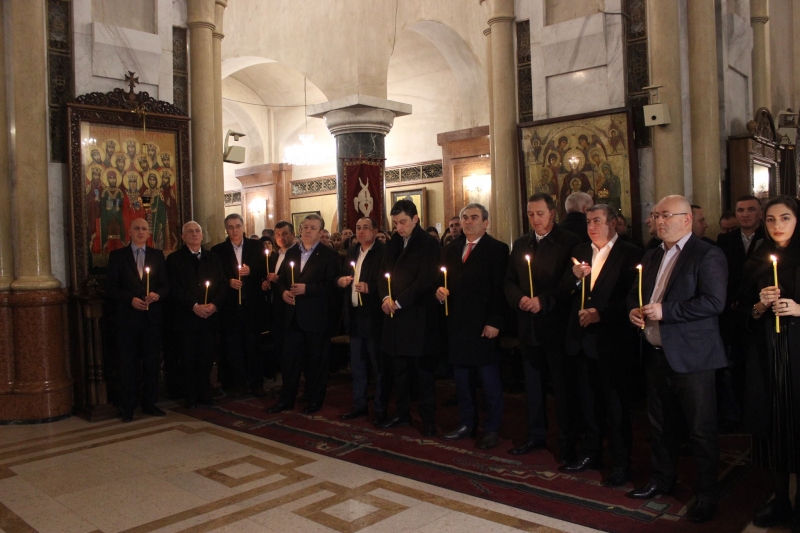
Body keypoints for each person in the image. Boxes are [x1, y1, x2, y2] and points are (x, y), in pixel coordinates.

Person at [627, 195, 728, 523]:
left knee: (700, 430)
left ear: (686, 219)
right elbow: (636, 294)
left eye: (666, 215)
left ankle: (707, 493)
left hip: (693, 358)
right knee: (660, 426)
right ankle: (662, 479)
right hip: (656, 353)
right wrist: (633, 310)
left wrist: (666, 311)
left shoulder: (707, 253)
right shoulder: (653, 254)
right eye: (656, 215)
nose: (659, 221)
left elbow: (714, 302)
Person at [560, 205, 642, 487]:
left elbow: (634, 298)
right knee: (588, 402)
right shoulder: (580, 250)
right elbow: (564, 291)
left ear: (613, 223)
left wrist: (601, 314)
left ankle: (620, 462)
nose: (591, 227)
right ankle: (591, 453)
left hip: (612, 342)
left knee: (615, 406)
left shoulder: (630, 253)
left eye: (597, 221)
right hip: (581, 340)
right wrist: (574, 278)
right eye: (588, 222)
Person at [503, 193, 581, 459]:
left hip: (556, 327)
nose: (535, 219)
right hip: (529, 327)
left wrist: (543, 301)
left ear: (552, 213)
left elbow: (570, 284)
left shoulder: (569, 242)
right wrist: (520, 299)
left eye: (540, 214)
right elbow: (509, 280)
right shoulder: (521, 243)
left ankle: (567, 442)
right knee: (533, 388)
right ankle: (535, 435)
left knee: (562, 389)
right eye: (530, 214)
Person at [740, 195, 800, 530]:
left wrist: (799, 309)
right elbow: (741, 311)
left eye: (785, 218)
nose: (778, 226)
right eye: (772, 219)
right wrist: (759, 306)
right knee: (774, 424)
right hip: (767, 354)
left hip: (798, 353)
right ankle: (780, 500)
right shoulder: (758, 257)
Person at [437, 203, 508, 450]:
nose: (468, 222)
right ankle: (467, 423)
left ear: (485, 223)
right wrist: (440, 292)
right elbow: (442, 279)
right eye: (465, 217)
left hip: (484, 326)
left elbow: (500, 289)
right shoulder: (451, 249)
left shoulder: (497, 249)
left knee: (489, 382)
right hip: (457, 325)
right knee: (462, 381)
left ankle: (492, 428)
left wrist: (494, 321)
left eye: (474, 218)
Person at [378, 200, 441, 436]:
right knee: (399, 371)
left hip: (417, 316)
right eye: (395, 223)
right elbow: (382, 274)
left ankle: (428, 419)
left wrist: (399, 301)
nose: (399, 227)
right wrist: (385, 297)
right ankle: (402, 413)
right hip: (394, 316)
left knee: (423, 374)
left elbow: (424, 280)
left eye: (403, 222)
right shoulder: (393, 241)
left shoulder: (428, 243)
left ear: (415, 219)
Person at [267, 214, 340, 414]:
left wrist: (307, 289)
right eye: (305, 227)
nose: (308, 231)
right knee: (290, 362)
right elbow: (282, 279)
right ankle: (286, 399)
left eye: (313, 228)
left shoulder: (329, 255)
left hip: (316, 317)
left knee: (316, 363)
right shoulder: (291, 252)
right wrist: (283, 292)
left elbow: (332, 286)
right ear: (300, 229)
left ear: (320, 232)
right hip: (293, 317)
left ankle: (315, 400)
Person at [105, 218, 169, 422]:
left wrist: (157, 295)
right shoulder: (118, 256)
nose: (141, 232)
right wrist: (130, 299)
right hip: (127, 319)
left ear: (149, 233)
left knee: (151, 363)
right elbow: (111, 288)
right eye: (137, 228)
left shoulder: (157, 255)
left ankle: (149, 403)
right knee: (127, 364)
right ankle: (127, 406)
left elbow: (166, 285)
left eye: (144, 229)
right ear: (129, 232)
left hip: (151, 319)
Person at [716, 195, 766, 432]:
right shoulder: (725, 241)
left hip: (760, 310)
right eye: (740, 210)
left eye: (750, 210)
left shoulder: (768, 237)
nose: (745, 214)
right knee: (733, 366)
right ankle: (736, 415)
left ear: (760, 213)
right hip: (732, 314)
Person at [166, 221, 227, 408]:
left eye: (197, 231)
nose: (194, 234)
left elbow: (222, 284)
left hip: (209, 317)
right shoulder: (174, 260)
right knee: (188, 358)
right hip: (186, 318)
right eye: (190, 231)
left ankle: (205, 393)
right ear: (183, 237)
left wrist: (214, 305)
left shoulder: (213, 258)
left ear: (202, 235)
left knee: (206, 358)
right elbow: (175, 288)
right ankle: (190, 396)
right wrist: (193, 306)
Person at [211, 214, 269, 397]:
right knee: (233, 346)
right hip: (230, 306)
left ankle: (256, 384)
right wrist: (228, 281)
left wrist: (251, 271)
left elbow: (265, 269)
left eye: (237, 226)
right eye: (230, 227)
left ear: (243, 227)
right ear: (226, 229)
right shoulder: (218, 250)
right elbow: (215, 275)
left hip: (252, 304)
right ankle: (238, 384)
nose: (234, 230)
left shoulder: (256, 246)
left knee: (254, 345)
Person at [337, 217, 388, 423]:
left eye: (366, 227)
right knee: (357, 365)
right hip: (355, 315)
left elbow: (387, 281)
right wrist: (340, 281)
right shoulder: (352, 252)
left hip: (373, 316)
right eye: (358, 228)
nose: (361, 231)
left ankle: (380, 408)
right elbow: (342, 276)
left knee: (378, 366)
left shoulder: (382, 252)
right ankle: (359, 404)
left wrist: (370, 288)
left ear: (375, 231)